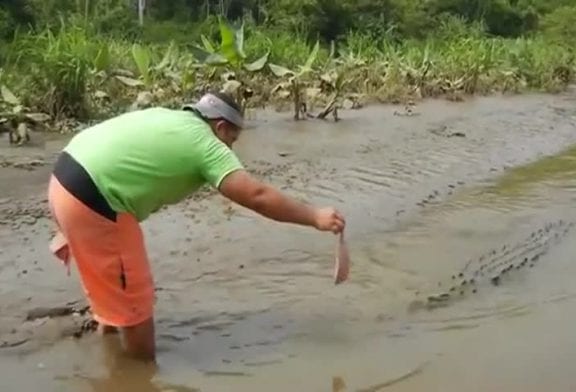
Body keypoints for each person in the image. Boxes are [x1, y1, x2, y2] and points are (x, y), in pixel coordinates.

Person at [47, 92, 346, 361]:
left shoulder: (170, 118)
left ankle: (107, 358)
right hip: (95, 200)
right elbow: (257, 197)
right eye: (232, 140)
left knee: (114, 295)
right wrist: (315, 217)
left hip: (64, 181)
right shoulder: (204, 143)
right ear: (220, 127)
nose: (231, 148)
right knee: (137, 313)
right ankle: (133, 376)